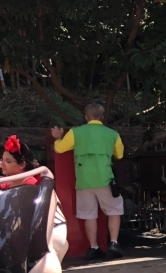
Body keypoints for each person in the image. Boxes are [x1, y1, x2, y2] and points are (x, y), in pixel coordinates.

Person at [51, 103, 124, 260]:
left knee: (89, 215)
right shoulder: (112, 134)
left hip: (83, 181)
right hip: (106, 179)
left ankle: (93, 247)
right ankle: (114, 243)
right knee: (114, 210)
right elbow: (120, 154)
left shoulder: (75, 133)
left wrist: (58, 138)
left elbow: (61, 148)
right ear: (102, 117)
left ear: (86, 117)